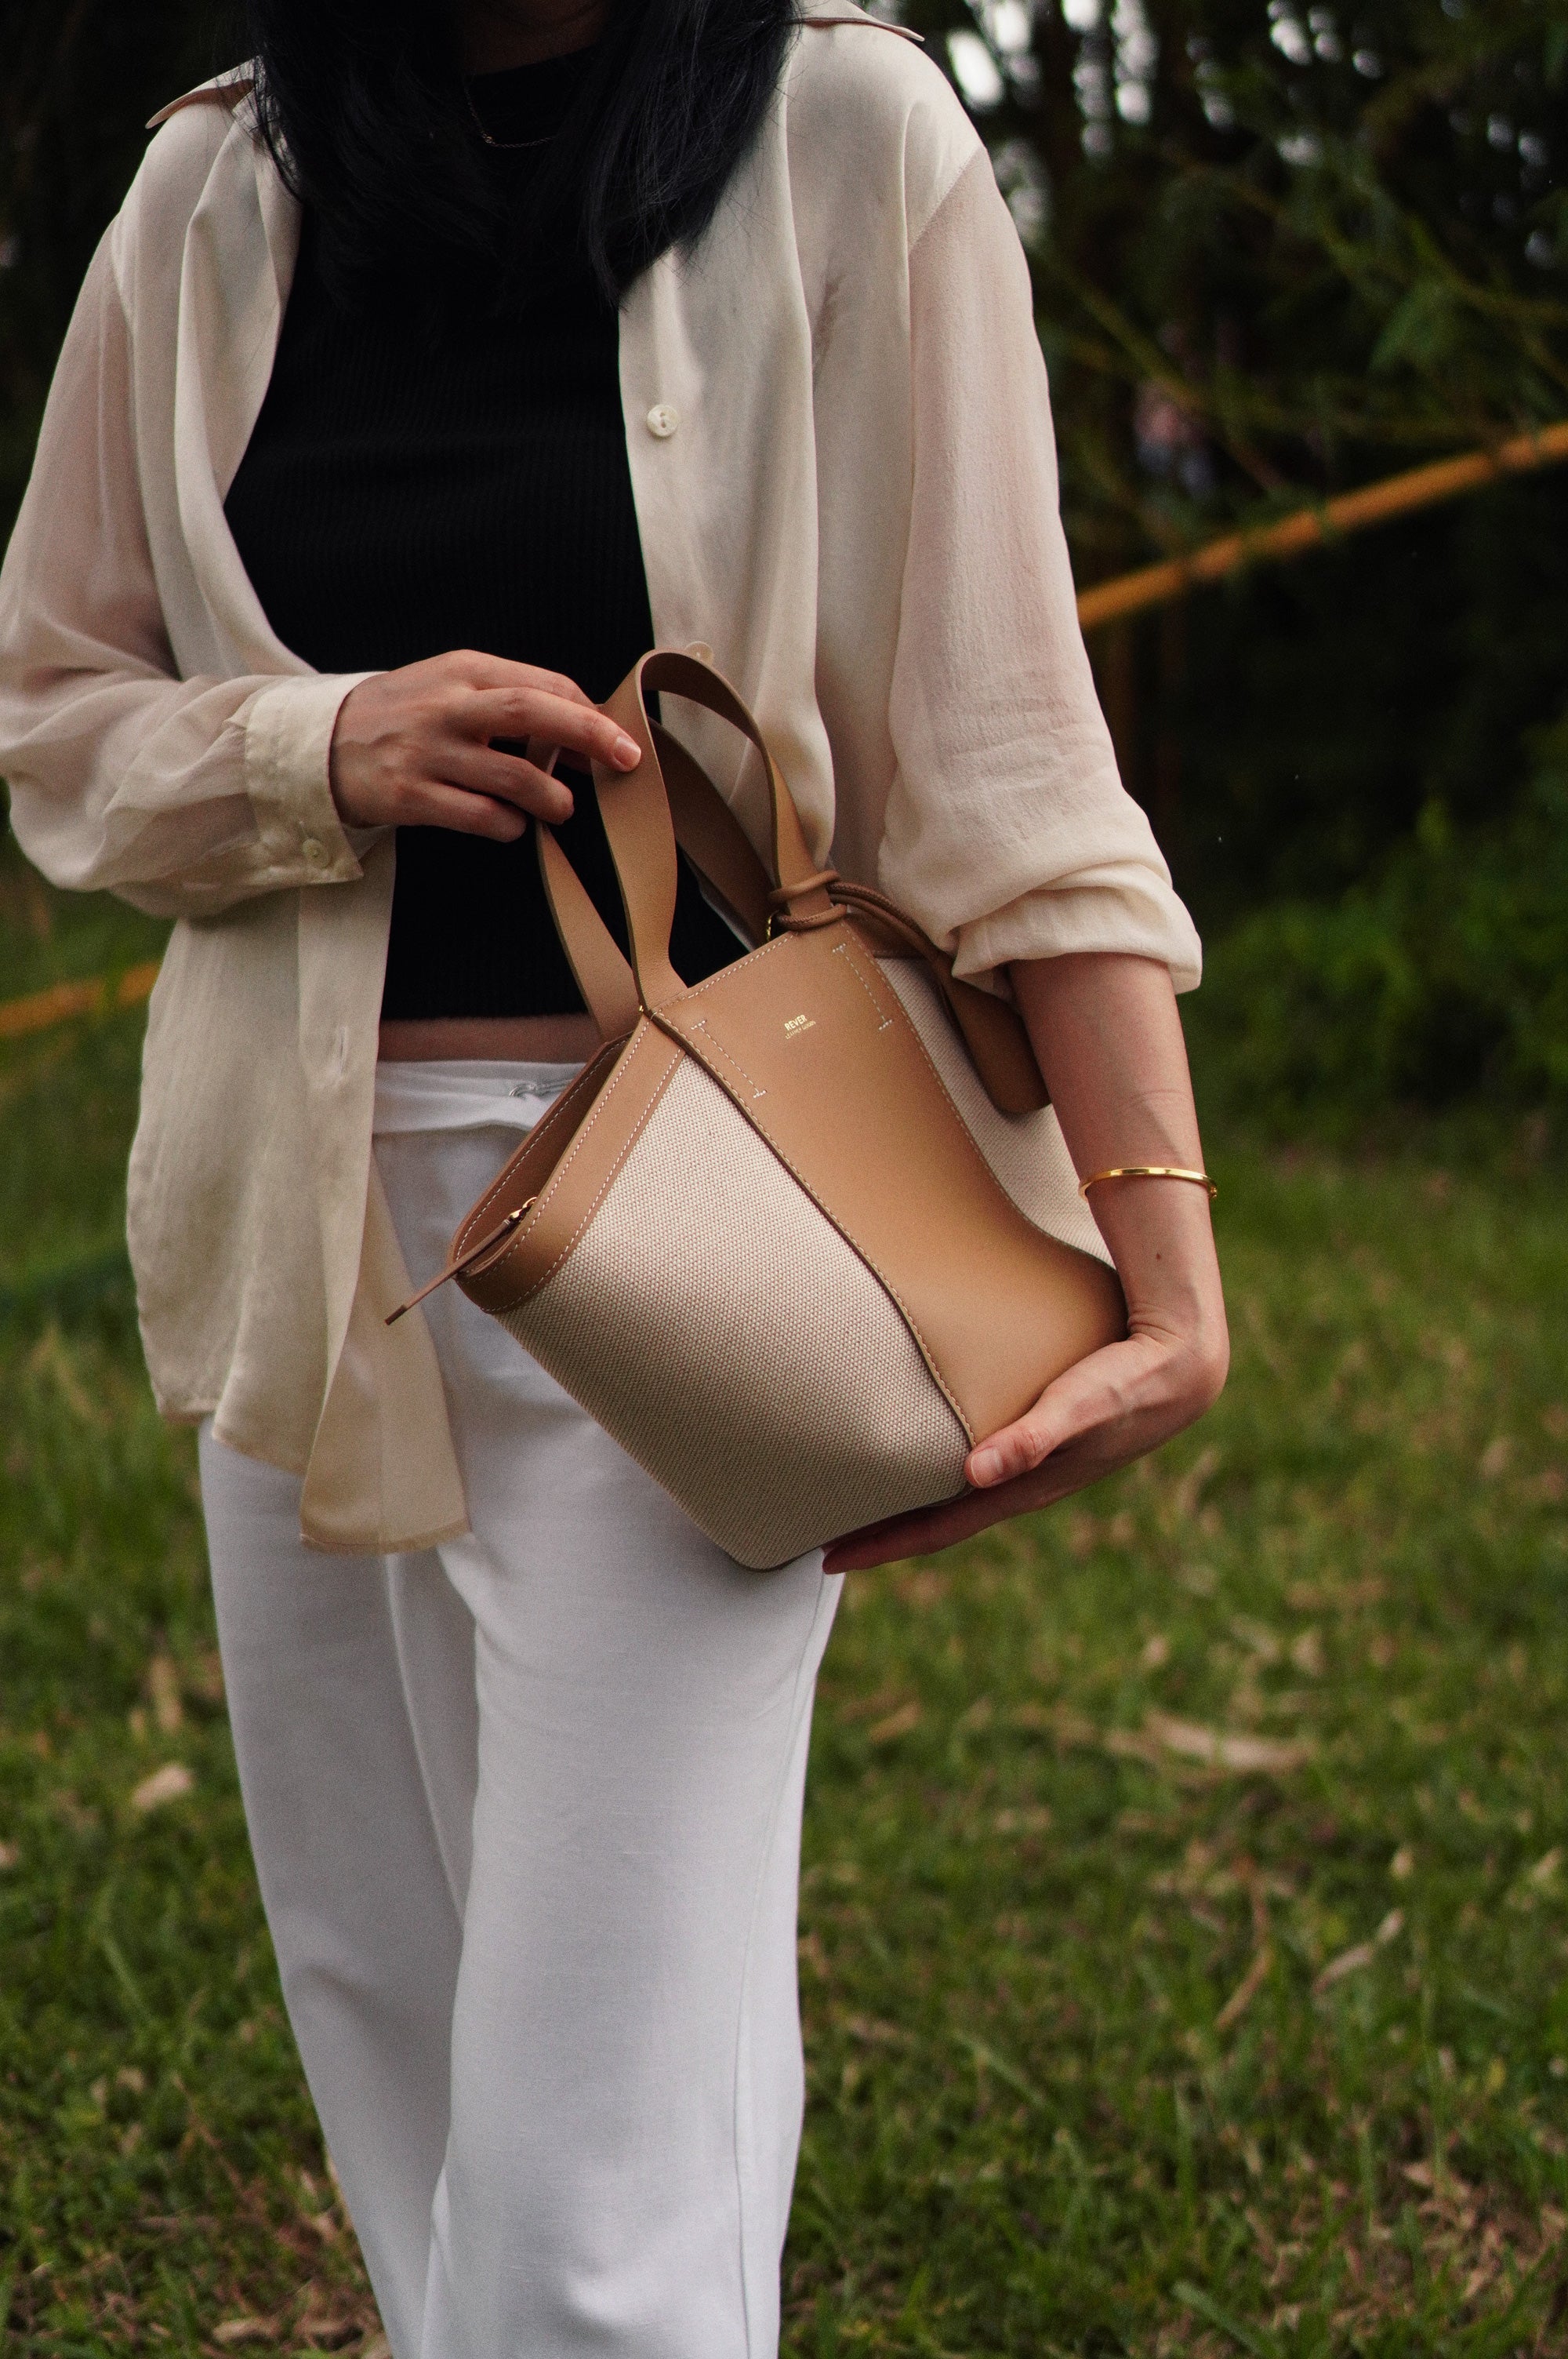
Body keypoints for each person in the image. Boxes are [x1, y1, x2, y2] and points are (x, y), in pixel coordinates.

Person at [0, 0, 1227, 2346]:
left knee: (593, 2166)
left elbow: (1003, 754)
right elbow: (55, 715)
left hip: (708, 1237)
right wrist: (315, 745)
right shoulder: (213, 191)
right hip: (301, 1223)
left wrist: (1162, 1260)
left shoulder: (849, 132)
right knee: (403, 2042)